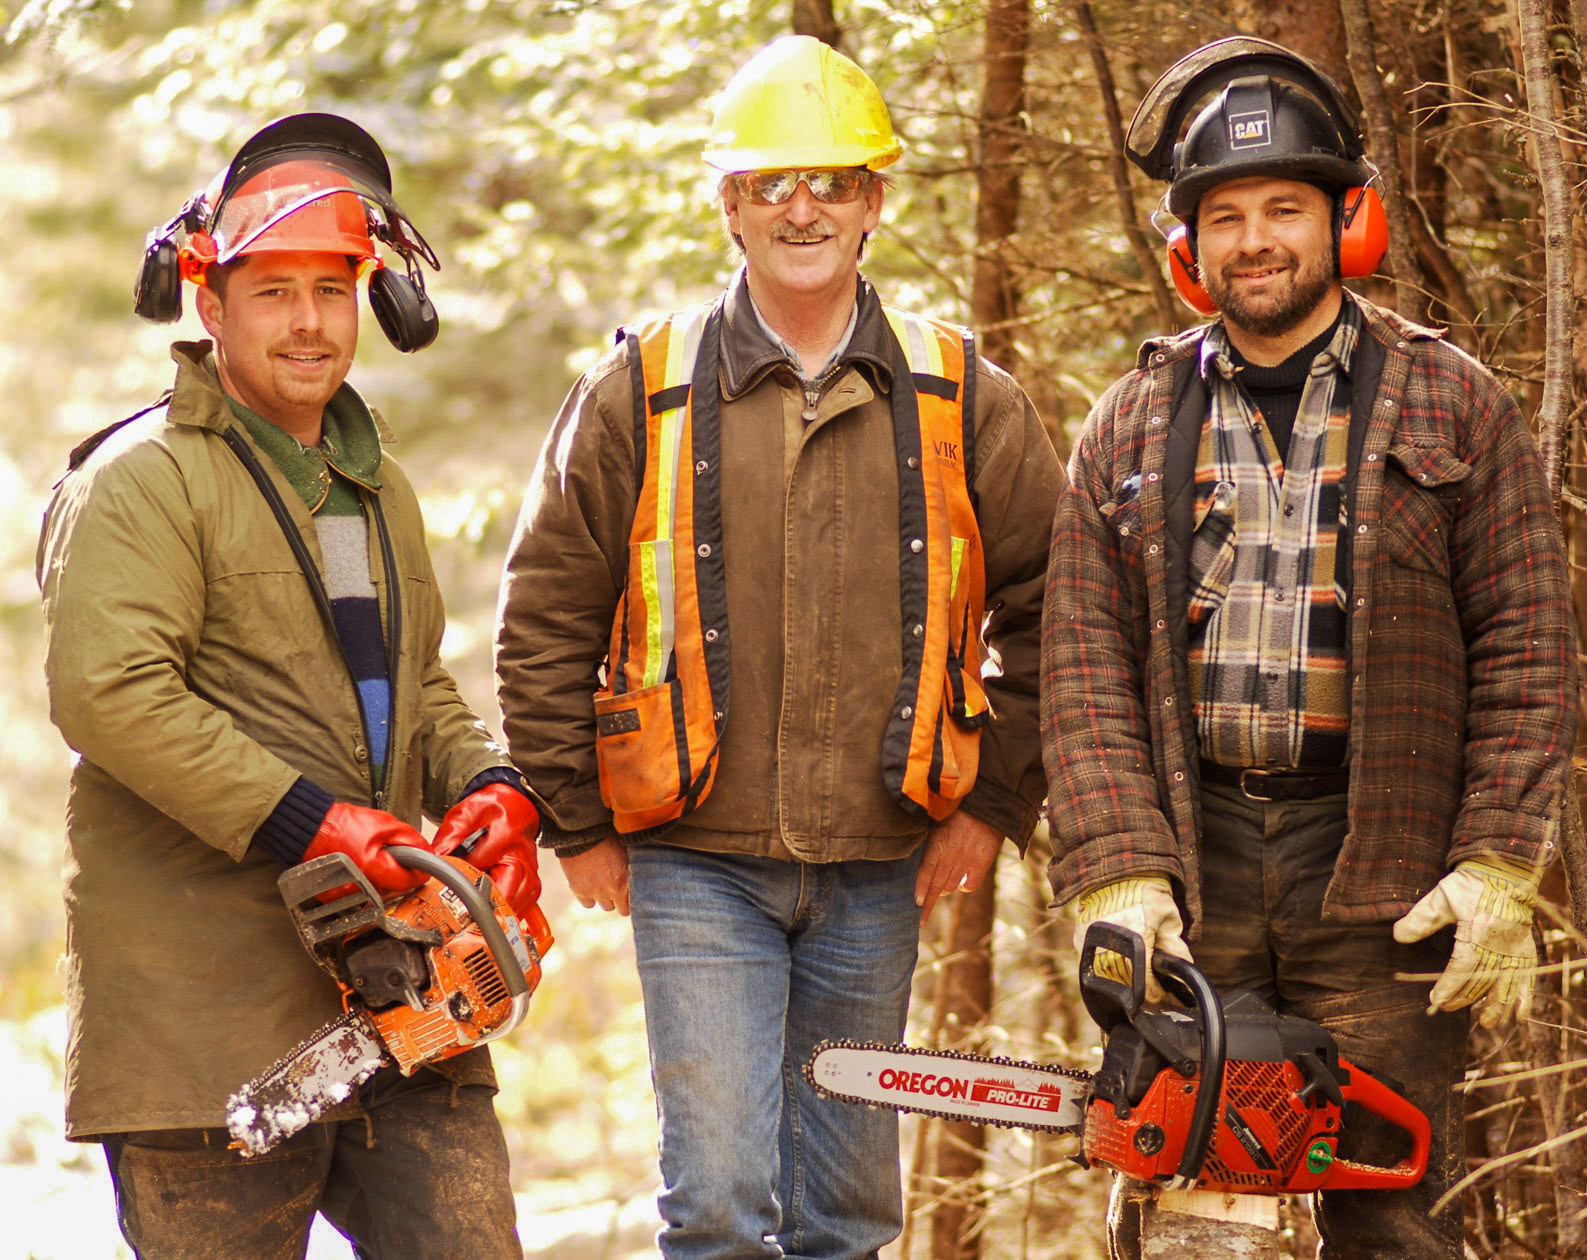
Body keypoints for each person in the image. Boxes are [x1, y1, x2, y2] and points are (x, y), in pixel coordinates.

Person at [495, 34, 1062, 1260]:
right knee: (717, 1205)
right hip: (694, 859)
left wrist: (994, 804)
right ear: (730, 204)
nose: (803, 208)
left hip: (881, 860)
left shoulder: (963, 395)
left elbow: (1056, 609)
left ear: (873, 201)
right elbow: (543, 614)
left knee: (848, 1218)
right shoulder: (639, 389)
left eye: (832, 181)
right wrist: (574, 820)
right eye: (771, 183)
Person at [1041, 37, 1578, 1258]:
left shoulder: (1453, 402)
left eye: (1283, 208)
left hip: (1386, 872)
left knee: (1396, 1220)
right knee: (1193, 1215)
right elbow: (1080, 666)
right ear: (1190, 247)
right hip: (1197, 870)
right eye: (1225, 217)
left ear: (1347, 219)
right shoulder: (1131, 420)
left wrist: (1497, 862)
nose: (1256, 241)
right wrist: (1122, 873)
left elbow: (1529, 646)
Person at [38, 113, 542, 1257]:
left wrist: (494, 787)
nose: (310, 321)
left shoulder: (377, 487)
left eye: (332, 288)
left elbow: (416, 685)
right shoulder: (143, 481)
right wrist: (317, 820)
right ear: (210, 304)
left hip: (404, 999)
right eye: (274, 292)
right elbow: (109, 693)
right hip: (200, 1022)